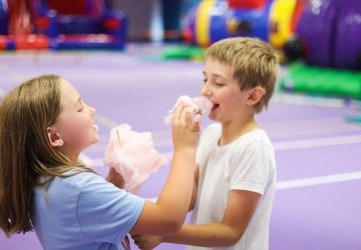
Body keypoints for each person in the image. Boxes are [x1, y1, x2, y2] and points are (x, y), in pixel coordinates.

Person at [0, 74, 201, 249]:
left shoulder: (50, 178)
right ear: (54, 137)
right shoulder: (78, 188)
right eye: (79, 108)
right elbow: (167, 219)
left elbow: (87, 217)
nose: (92, 110)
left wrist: (116, 180)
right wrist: (185, 149)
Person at [133, 37, 279, 250]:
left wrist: (164, 234)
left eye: (218, 83)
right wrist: (185, 148)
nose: (205, 91)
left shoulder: (253, 147)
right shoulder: (211, 134)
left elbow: (230, 232)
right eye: (205, 79)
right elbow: (188, 201)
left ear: (252, 96)